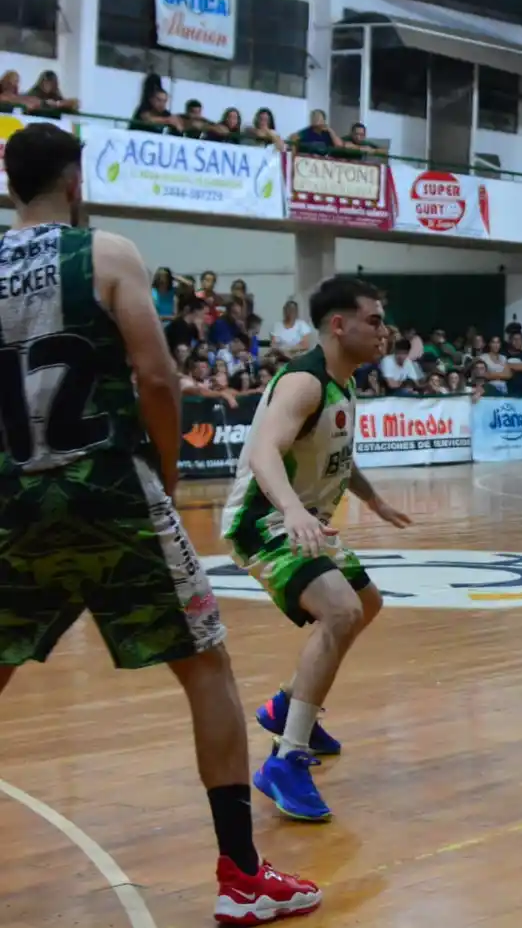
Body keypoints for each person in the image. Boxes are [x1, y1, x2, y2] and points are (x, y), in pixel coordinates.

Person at [0, 124, 319, 922]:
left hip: (13, 500)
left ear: (9, 186)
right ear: (75, 182)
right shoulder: (108, 254)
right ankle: (241, 875)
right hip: (110, 490)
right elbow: (156, 376)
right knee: (206, 667)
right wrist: (165, 479)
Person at [220, 275, 410, 822]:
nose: (384, 331)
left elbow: (337, 456)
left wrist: (373, 500)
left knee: (366, 604)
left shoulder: (342, 381)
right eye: (374, 320)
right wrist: (292, 509)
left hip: (299, 519)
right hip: (264, 519)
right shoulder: (304, 382)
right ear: (339, 325)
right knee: (341, 611)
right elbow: (264, 452)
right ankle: (286, 760)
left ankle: (287, 706)